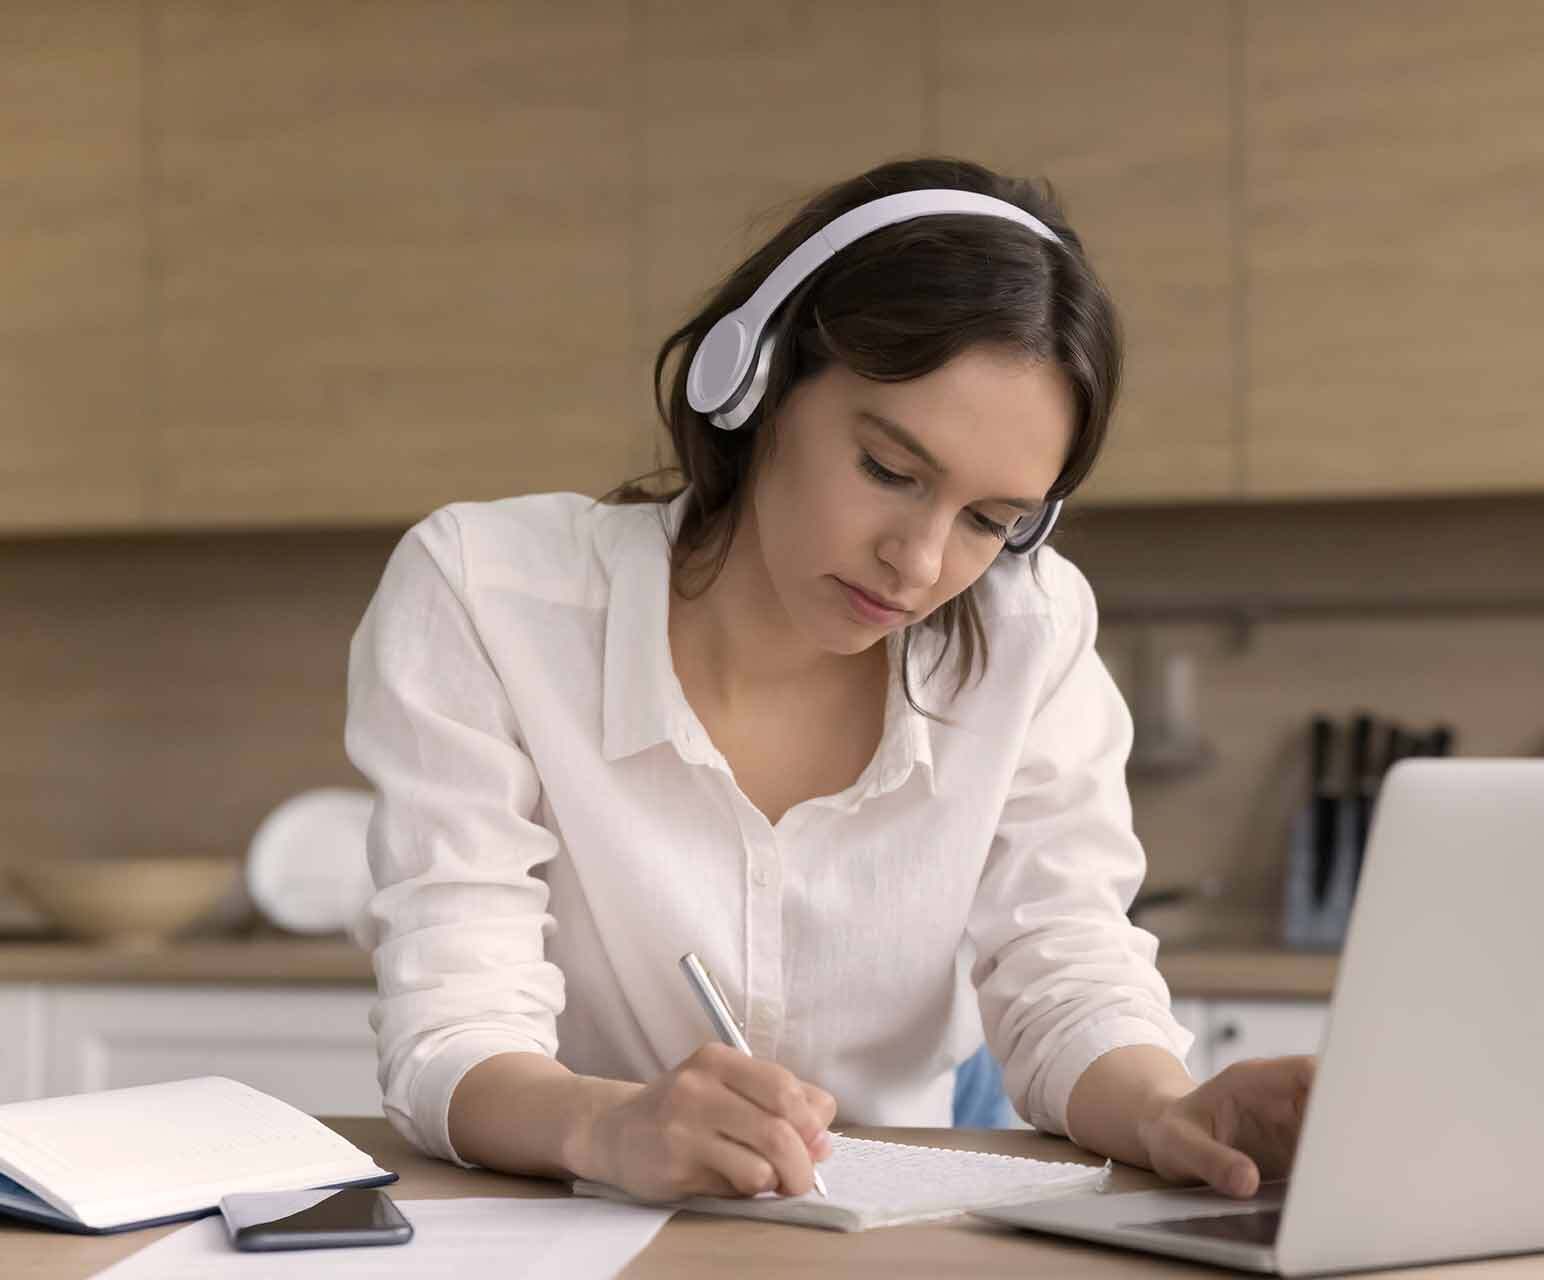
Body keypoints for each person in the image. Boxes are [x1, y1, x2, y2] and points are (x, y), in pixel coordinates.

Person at [345, 155, 1315, 1206]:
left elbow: (1066, 965)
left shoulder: (1029, 629)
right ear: (754, 382)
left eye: (991, 521)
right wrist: (607, 1123)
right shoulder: (489, 595)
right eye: (891, 471)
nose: (921, 562)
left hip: (901, 1235)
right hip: (589, 1223)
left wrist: (1168, 1108)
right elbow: (453, 1021)